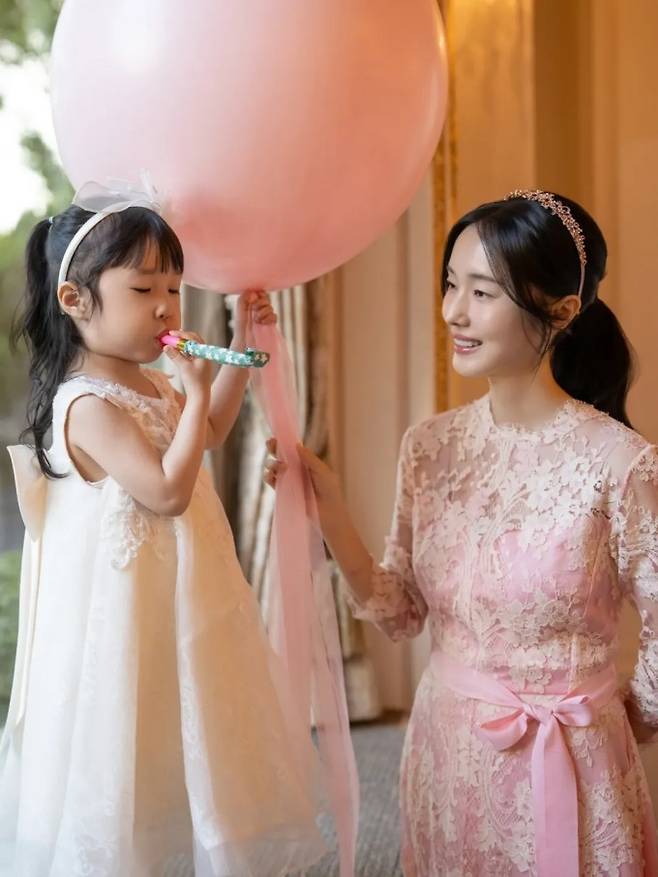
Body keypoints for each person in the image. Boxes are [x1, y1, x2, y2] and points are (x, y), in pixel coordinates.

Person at [266, 190, 658, 875]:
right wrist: (331, 512)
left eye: (482, 292)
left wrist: (616, 723)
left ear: (561, 310)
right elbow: (401, 611)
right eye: (451, 284)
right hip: (446, 754)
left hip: (572, 760)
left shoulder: (619, 463)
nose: (453, 311)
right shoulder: (429, 446)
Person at [0, 186, 325, 877]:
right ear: (75, 301)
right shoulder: (86, 404)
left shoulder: (153, 385)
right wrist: (198, 390)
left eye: (174, 289)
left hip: (185, 599)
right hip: (128, 616)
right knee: (131, 743)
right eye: (143, 288)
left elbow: (208, 433)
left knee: (191, 733)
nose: (166, 308)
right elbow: (168, 491)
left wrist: (239, 344)